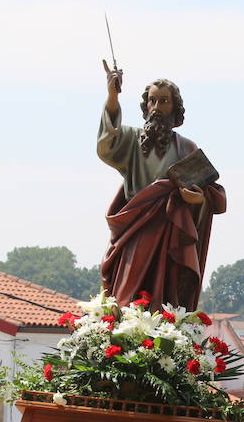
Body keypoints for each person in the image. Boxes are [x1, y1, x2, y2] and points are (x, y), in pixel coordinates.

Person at [97, 70, 226, 312]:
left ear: (174, 107)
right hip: (135, 228)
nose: (156, 107)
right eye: (152, 100)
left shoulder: (186, 148)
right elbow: (108, 143)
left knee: (164, 296)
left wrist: (197, 200)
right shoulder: (132, 140)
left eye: (164, 101)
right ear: (145, 105)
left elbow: (211, 193)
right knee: (126, 294)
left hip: (170, 230)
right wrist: (112, 96)